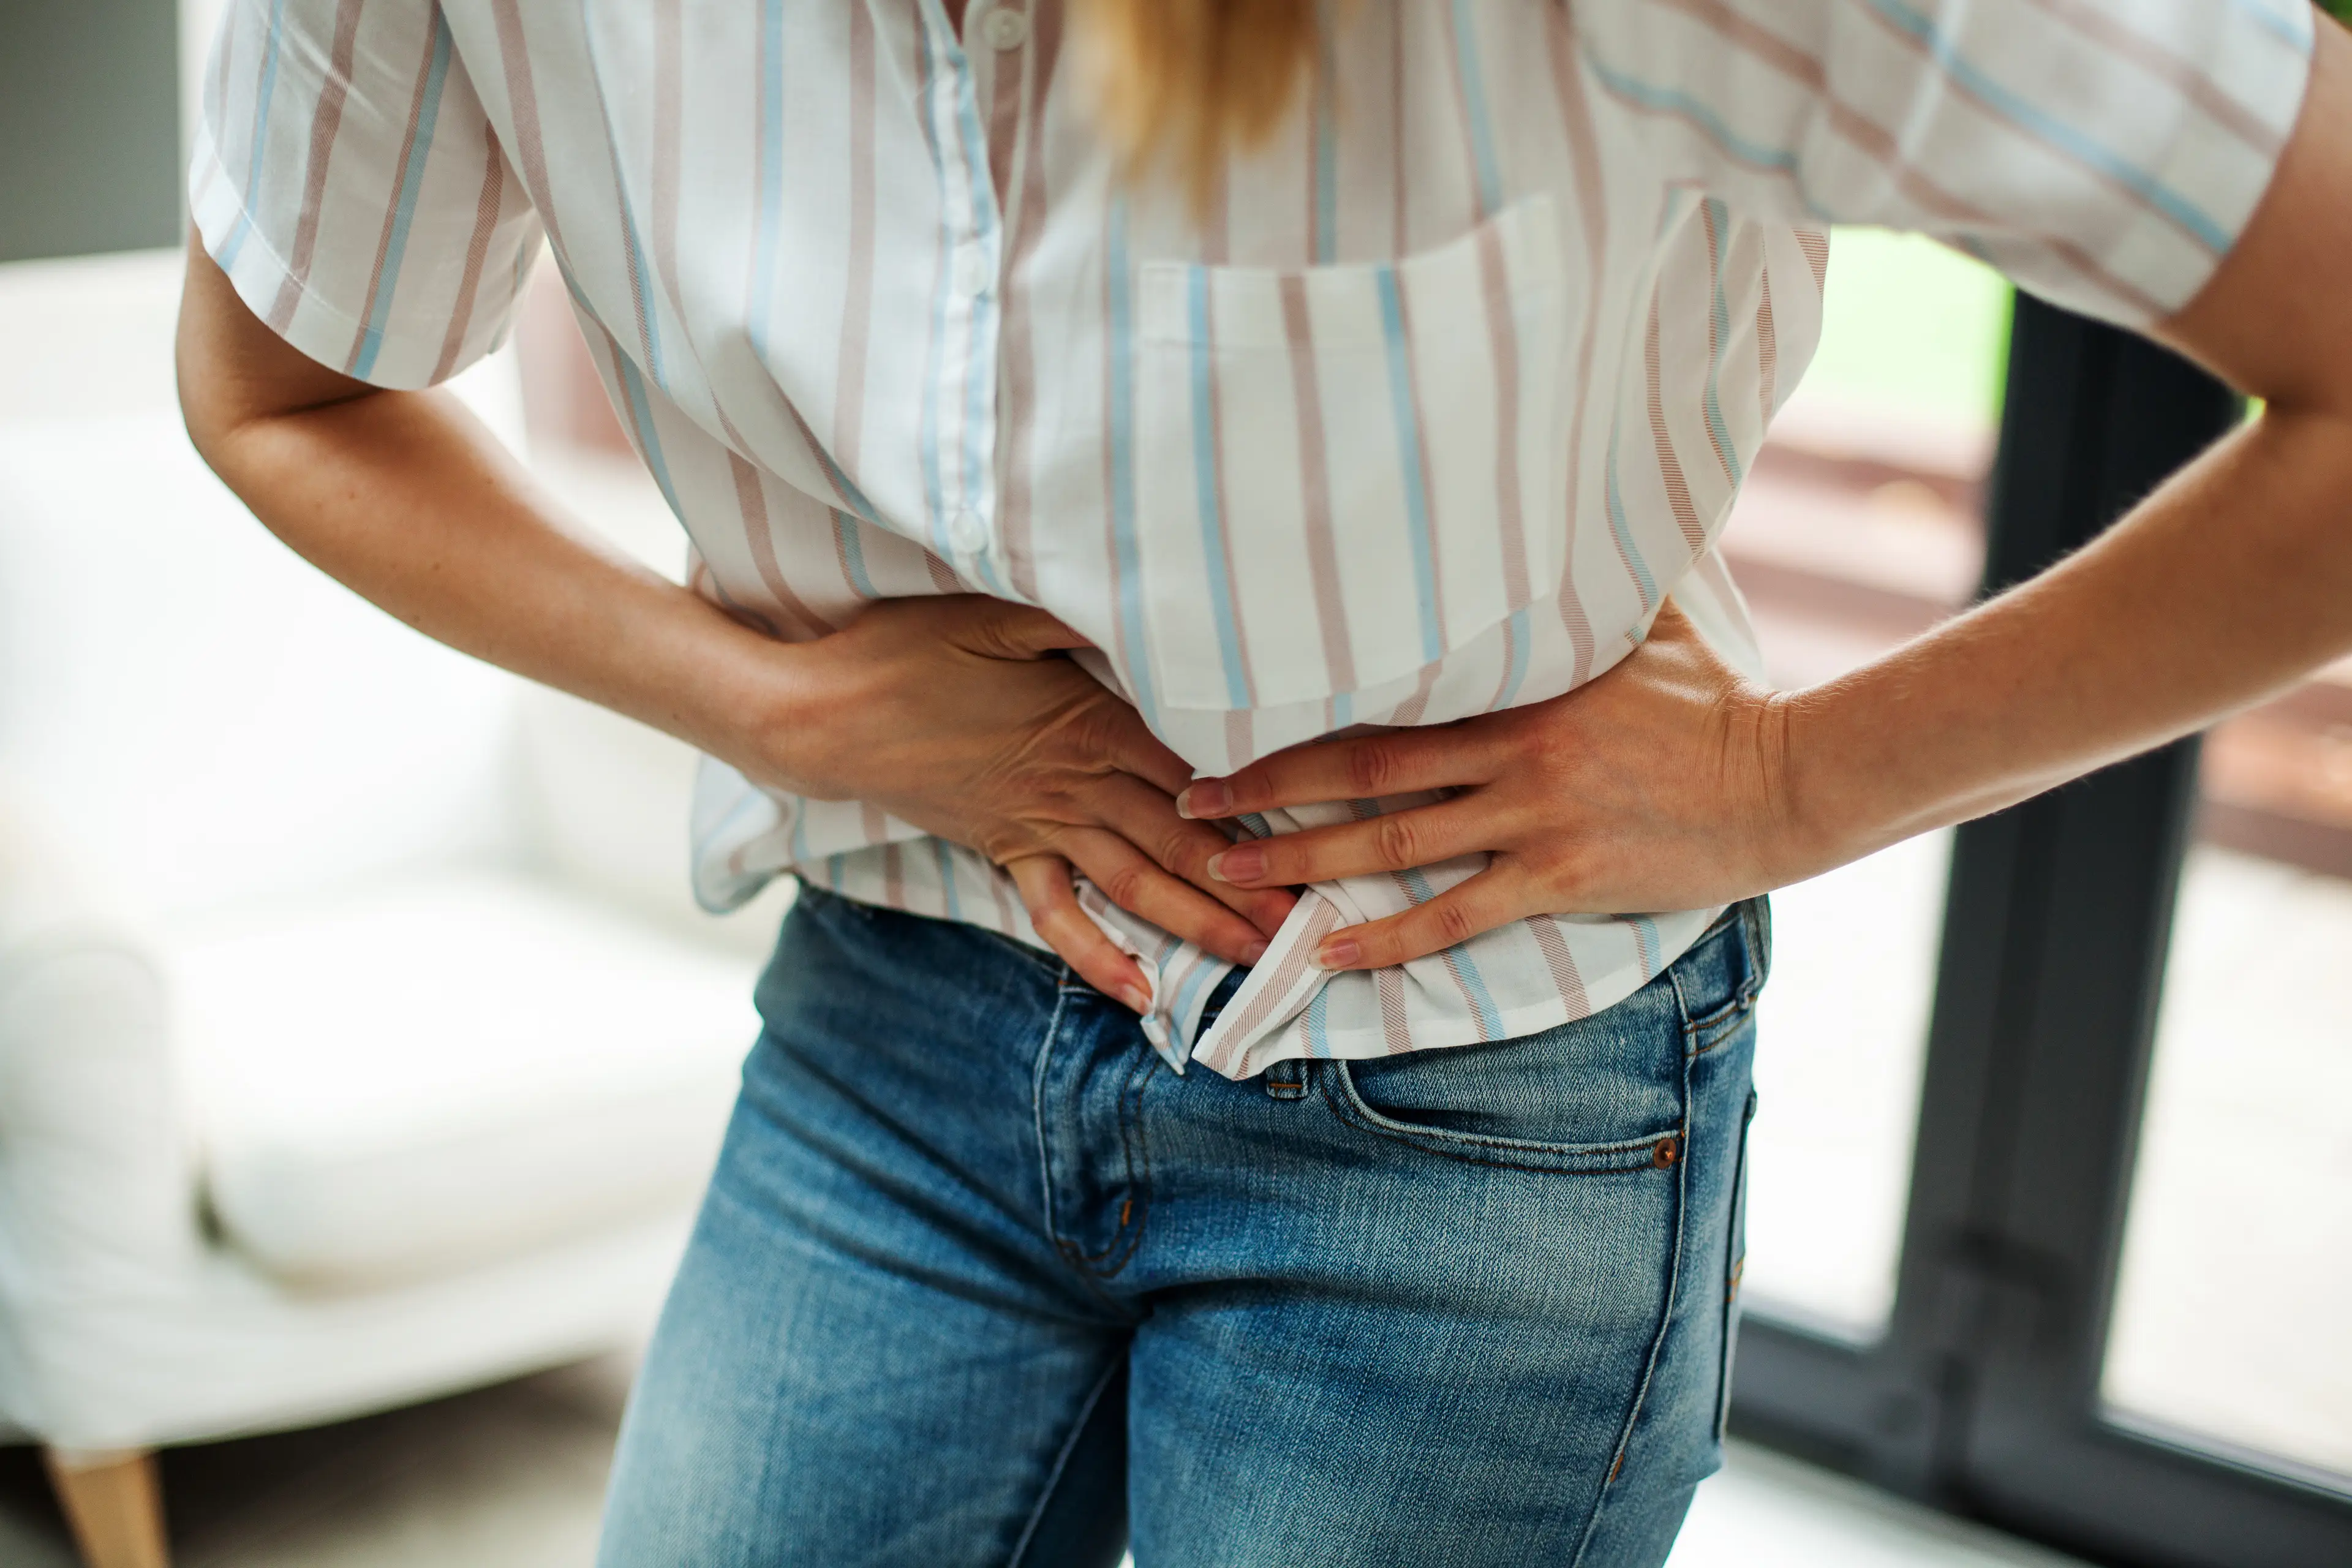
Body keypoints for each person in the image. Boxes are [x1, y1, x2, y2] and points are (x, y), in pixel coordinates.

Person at [176, 0, 2351, 1561]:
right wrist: (780, 712)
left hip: (1474, 1108)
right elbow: (282, 395)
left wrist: (1786, 782)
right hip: (890, 1015)